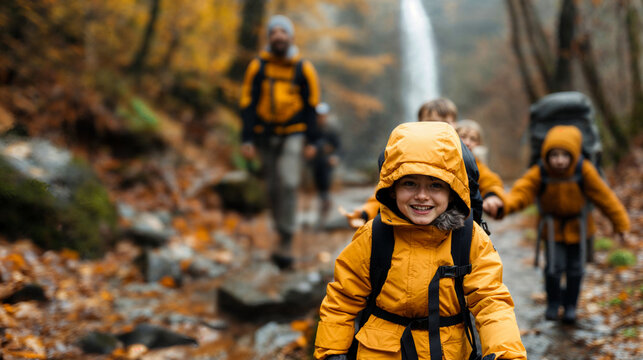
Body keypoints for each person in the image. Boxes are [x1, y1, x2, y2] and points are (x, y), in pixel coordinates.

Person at [314, 122, 527, 360]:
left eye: (436, 185)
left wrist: (505, 353)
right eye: (410, 183)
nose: (422, 195)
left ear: (452, 190)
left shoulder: (468, 237)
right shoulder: (374, 236)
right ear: (392, 188)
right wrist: (332, 352)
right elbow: (342, 300)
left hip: (448, 352)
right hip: (380, 352)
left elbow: (491, 302)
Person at [501, 125, 630, 323]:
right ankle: (554, 302)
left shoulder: (583, 169)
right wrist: (505, 206)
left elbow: (605, 198)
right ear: (546, 155)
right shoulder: (541, 171)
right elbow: (522, 191)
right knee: (553, 267)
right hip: (552, 230)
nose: (559, 160)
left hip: (579, 228)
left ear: (574, 155)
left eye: (564, 155)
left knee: (576, 269)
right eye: (554, 155)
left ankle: (570, 305)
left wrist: (620, 225)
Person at [239, 15, 320, 270]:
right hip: (264, 134)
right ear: (268, 37)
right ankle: (280, 229)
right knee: (273, 187)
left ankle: (286, 236)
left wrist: (312, 140)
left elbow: (312, 106)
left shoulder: (303, 68)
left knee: (288, 181)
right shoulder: (258, 67)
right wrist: (247, 138)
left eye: (282, 32)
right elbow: (247, 104)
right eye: (273, 32)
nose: (278, 36)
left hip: (294, 133)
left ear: (291, 37)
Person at [344, 98, 483, 228]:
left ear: (455, 125)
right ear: (418, 124)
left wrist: (492, 197)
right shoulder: (406, 155)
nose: (436, 128)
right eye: (430, 123)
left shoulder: (462, 156)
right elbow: (387, 186)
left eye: (443, 124)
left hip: (456, 227)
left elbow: (485, 182)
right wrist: (367, 211)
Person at [455, 119, 506, 219]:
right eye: (463, 137)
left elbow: (490, 180)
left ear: (478, 143)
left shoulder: (476, 164)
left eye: (473, 139)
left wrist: (491, 194)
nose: (467, 143)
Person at [311, 102, 341, 225]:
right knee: (318, 183)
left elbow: (338, 146)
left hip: (327, 161)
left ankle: (326, 202)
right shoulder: (313, 128)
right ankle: (323, 202)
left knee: (325, 182)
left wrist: (335, 156)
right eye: (319, 115)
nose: (321, 117)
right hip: (315, 162)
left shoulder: (332, 129)